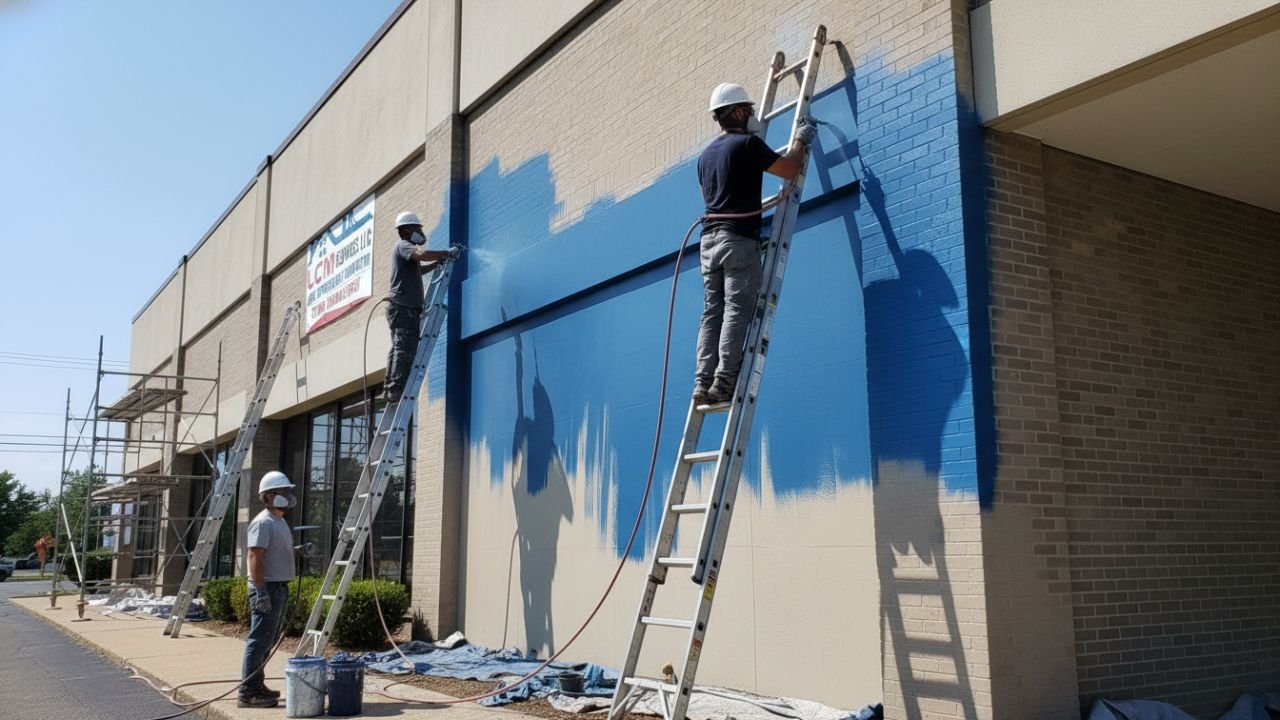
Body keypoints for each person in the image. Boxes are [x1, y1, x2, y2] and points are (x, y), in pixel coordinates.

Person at [694, 83, 815, 405]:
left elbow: (718, 196)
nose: (752, 115)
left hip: (708, 243)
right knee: (736, 310)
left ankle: (703, 381)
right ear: (737, 112)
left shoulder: (705, 157)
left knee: (712, 312)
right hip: (737, 240)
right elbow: (789, 168)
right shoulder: (747, 145)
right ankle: (723, 383)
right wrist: (801, 140)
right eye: (748, 110)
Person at [239, 471, 297, 709]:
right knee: (259, 640)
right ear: (269, 496)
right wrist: (261, 591)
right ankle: (248, 692)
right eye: (283, 491)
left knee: (268, 640)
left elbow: (271, 552)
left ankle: (257, 684)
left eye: (288, 491)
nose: (288, 495)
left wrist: (297, 552)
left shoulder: (278, 521)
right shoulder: (263, 522)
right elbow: (254, 556)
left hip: (278, 586)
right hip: (268, 588)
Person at [385, 211, 453, 403]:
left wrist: (436, 265)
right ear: (406, 229)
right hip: (403, 307)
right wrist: (447, 253)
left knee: (399, 346)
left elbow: (418, 269)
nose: (419, 232)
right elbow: (422, 255)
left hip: (403, 307)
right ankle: (396, 388)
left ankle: (391, 387)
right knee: (404, 346)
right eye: (416, 228)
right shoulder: (404, 245)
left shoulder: (406, 251)